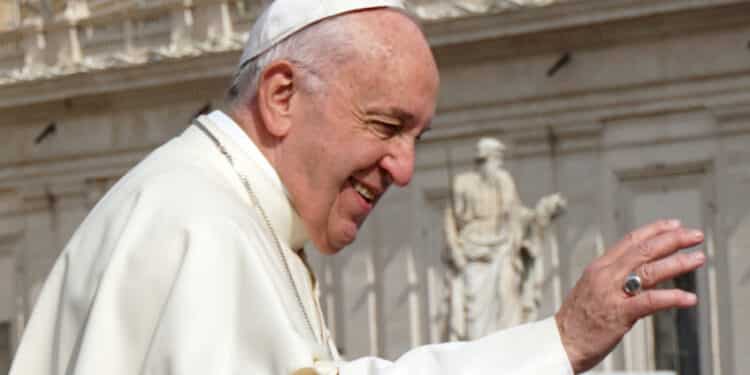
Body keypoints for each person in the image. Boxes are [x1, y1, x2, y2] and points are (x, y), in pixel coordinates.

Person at [9, 1, 706, 374]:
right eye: (386, 125)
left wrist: (557, 341)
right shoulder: (199, 230)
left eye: (417, 139)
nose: (404, 168)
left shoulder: (222, 212)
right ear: (281, 96)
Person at [443, 137, 565, 340]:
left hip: (503, 250)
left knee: (507, 300)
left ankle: (506, 353)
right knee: (473, 314)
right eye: (495, 160)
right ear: (485, 160)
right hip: (474, 253)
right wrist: (455, 251)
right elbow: (450, 221)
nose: (497, 164)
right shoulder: (463, 183)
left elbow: (517, 215)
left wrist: (543, 212)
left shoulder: (504, 181)